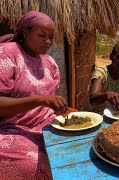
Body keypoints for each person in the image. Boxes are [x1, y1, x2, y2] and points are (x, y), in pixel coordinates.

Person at [0, 11, 70, 179]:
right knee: (33, 164)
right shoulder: (7, 54)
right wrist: (41, 100)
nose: (48, 42)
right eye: (42, 35)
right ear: (26, 33)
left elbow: (51, 100)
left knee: (73, 146)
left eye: (51, 37)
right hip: (10, 129)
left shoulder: (50, 62)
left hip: (44, 123)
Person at [87, 44, 119, 113]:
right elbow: (93, 99)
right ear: (111, 56)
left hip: (114, 113)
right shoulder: (101, 72)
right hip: (96, 114)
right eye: (118, 57)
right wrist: (106, 95)